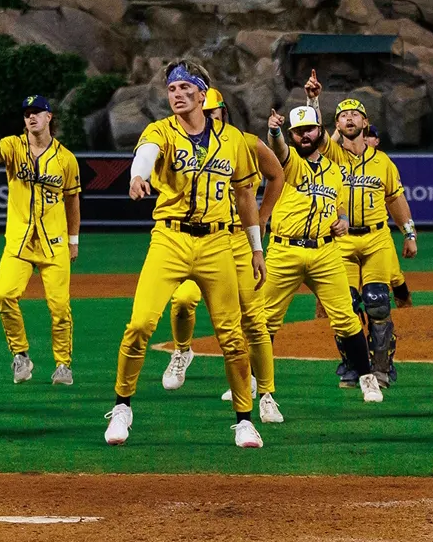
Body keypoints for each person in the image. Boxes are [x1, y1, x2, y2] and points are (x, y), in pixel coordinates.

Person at [109, 61, 266, 447]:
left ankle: (245, 420)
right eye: (172, 89)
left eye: (183, 87)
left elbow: (246, 196)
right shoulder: (160, 130)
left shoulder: (233, 141)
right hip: (171, 238)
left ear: (202, 93)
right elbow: (146, 152)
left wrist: (255, 247)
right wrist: (138, 175)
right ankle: (122, 407)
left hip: (217, 242)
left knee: (232, 335)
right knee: (141, 324)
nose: (176, 94)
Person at [162, 87, 284, 425]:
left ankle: (268, 396)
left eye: (214, 113)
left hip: (239, 241)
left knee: (254, 322)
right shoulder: (184, 142)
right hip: (202, 240)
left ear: (222, 113)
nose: (208, 119)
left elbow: (277, 175)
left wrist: (262, 218)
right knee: (183, 300)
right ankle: (183, 351)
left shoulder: (243, 142)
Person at [262, 102, 386, 406]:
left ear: (320, 131)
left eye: (310, 129)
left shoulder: (336, 172)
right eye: (298, 131)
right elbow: (278, 149)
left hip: (324, 253)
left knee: (346, 319)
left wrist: (343, 219)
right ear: (292, 135)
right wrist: (274, 131)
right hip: (284, 252)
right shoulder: (287, 163)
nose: (305, 135)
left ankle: (367, 378)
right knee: (264, 321)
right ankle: (254, 381)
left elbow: (339, 205)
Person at [0, 95, 82, 388]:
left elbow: (72, 200)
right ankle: (20, 355)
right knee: (5, 294)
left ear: (49, 117)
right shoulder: (13, 145)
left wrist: (73, 241)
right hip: (19, 241)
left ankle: (62, 365)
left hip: (54, 242)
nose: (31, 118)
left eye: (37, 112)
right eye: (27, 114)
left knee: (59, 307)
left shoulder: (66, 159)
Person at [327, 91, 417, 388]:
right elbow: (314, 138)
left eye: (354, 114)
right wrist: (312, 99)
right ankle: (353, 366)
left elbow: (396, 199)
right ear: (336, 125)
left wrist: (409, 233)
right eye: (342, 115)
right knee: (347, 305)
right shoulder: (331, 156)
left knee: (377, 301)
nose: (349, 117)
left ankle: (382, 367)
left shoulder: (382, 162)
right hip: (341, 241)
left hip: (376, 237)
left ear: (365, 122)